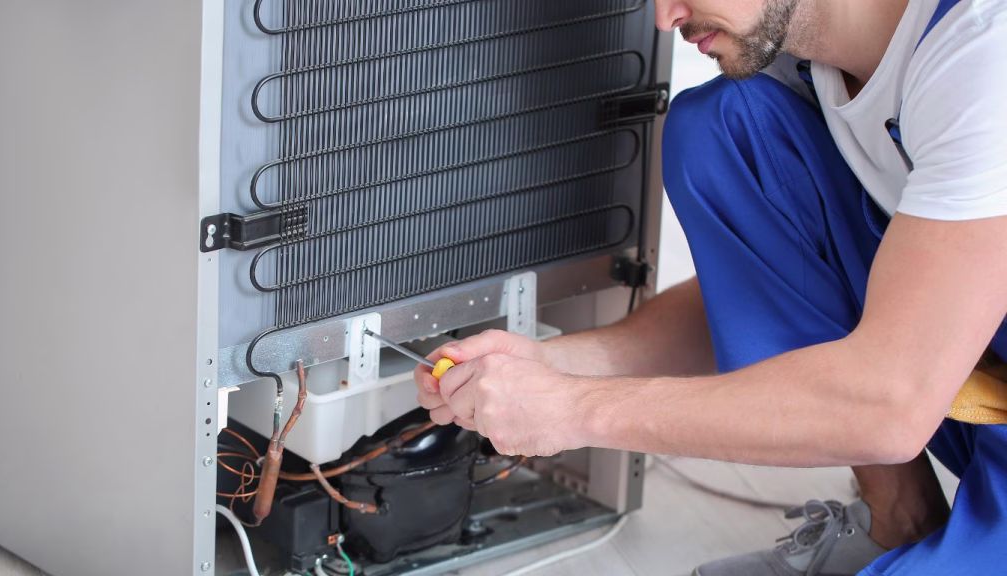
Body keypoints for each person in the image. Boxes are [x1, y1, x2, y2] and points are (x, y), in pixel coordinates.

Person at [414, 0, 1007, 574]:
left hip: (919, 396)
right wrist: (558, 365)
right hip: (959, 384)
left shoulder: (985, 54)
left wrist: (572, 410)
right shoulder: (793, 64)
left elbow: (890, 409)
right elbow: (770, 291)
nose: (664, 17)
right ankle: (899, 520)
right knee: (724, 126)